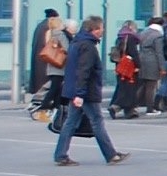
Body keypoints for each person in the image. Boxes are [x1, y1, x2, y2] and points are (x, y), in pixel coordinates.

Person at [52, 15, 127, 166]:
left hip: (77, 90)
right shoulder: (88, 46)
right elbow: (83, 71)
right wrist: (80, 93)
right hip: (86, 92)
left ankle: (60, 154)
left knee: (71, 122)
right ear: (93, 29)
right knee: (97, 121)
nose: (103, 31)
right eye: (101, 28)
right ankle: (111, 154)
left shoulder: (77, 42)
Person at [34, 12, 70, 122]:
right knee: (55, 89)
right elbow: (67, 49)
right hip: (59, 66)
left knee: (56, 89)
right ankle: (43, 108)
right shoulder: (60, 34)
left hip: (52, 65)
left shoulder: (49, 33)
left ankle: (55, 108)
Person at [27, 9, 64, 105]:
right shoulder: (48, 29)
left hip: (39, 59)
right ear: (52, 18)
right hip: (46, 60)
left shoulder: (40, 26)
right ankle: (43, 105)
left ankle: (41, 103)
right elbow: (51, 45)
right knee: (47, 84)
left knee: (41, 84)